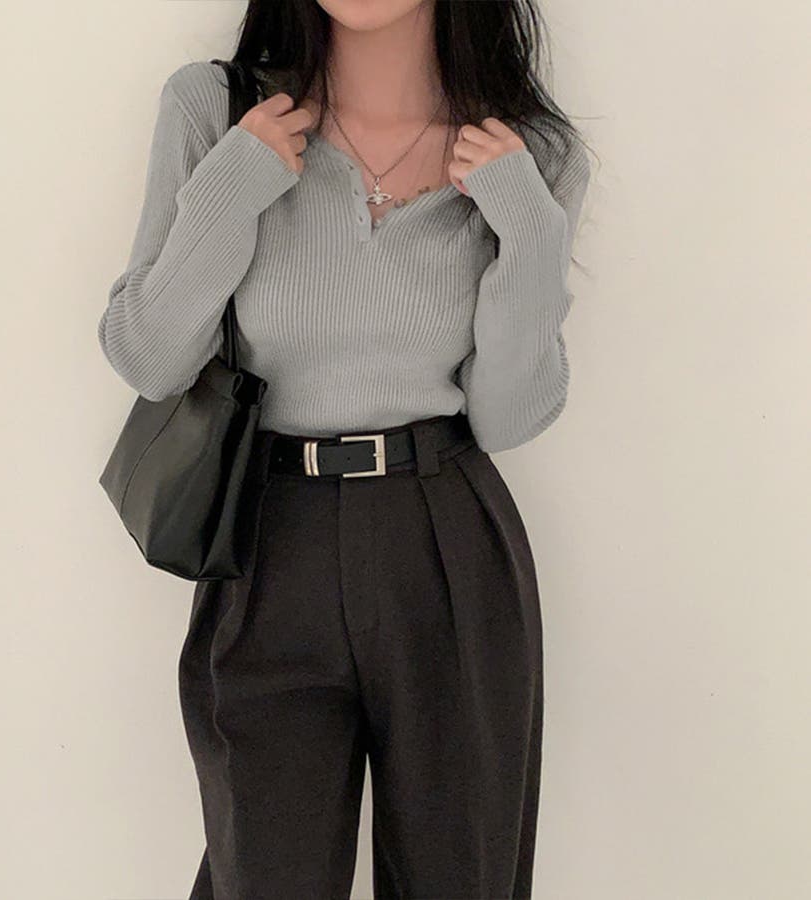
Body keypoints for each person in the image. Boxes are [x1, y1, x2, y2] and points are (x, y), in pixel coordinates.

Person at [97, 1, 592, 897]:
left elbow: (509, 415)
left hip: (444, 534)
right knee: (263, 875)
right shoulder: (217, 109)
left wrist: (532, 231)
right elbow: (150, 357)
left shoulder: (531, 156)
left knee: (463, 876)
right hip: (266, 536)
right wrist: (230, 188)